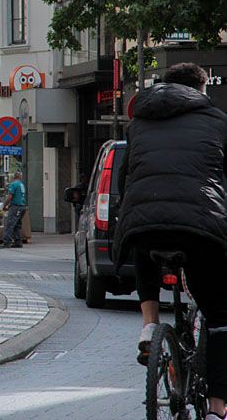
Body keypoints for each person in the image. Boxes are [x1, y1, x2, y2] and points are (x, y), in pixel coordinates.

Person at [113, 63, 227, 420]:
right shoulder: (218, 120)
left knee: (145, 235)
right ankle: (217, 406)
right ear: (201, 89)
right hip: (200, 225)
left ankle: (149, 325)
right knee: (221, 316)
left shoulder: (138, 123)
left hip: (144, 221)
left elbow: (124, 178)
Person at [0, 170, 27, 248]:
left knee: (10, 224)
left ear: (14, 177)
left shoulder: (13, 184)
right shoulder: (22, 185)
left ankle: (6, 242)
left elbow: (9, 197)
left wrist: (4, 206)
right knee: (17, 225)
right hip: (22, 207)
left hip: (16, 207)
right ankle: (18, 242)